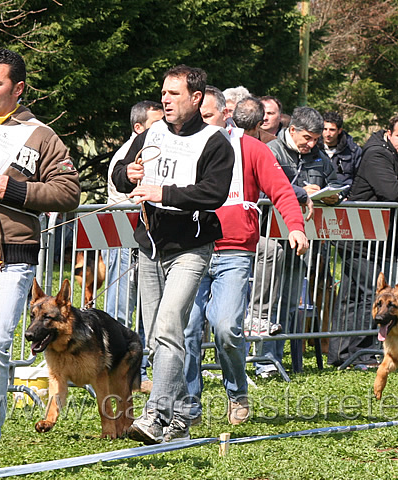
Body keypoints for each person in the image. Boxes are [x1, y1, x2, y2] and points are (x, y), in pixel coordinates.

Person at [112, 65, 234, 444]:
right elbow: (119, 175)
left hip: (191, 248)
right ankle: (181, 413)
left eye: (174, 93)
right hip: (149, 243)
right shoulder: (153, 132)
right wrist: (128, 174)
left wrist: (163, 194)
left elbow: (214, 193)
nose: (165, 99)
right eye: (163, 92)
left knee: (168, 326)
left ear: (196, 98)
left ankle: (156, 416)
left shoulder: (216, 141)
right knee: (156, 334)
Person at [183, 86, 308, 425]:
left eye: (206, 116)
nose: (199, 122)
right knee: (188, 329)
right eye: (197, 117)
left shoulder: (251, 148)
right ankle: (189, 407)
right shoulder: (185, 146)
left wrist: (295, 226)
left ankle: (236, 393)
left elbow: (281, 190)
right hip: (191, 251)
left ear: (225, 115)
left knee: (226, 328)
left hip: (233, 252)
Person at [0, 48, 80, 470]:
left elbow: (68, 193)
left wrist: (16, 190)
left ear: (17, 88)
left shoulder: (40, 136)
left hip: (11, 260)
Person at [327, 115, 398, 367]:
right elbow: (392, 192)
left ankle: (342, 354)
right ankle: (363, 352)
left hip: (376, 238)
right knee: (369, 294)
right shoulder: (376, 154)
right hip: (359, 236)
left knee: (353, 295)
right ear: (388, 133)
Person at [256, 106, 337, 377]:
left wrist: (333, 195)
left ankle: (283, 360)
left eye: (316, 139)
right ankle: (264, 360)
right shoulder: (270, 151)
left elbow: (336, 180)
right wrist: (302, 191)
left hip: (301, 240)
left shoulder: (319, 157)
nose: (311, 144)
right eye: (307, 138)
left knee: (291, 303)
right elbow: (265, 186)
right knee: (268, 301)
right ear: (292, 131)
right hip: (270, 238)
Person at [105, 100, 164, 394]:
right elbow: (125, 193)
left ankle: (137, 375)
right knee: (119, 311)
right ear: (139, 128)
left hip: (145, 242)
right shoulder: (128, 156)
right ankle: (109, 372)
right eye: (156, 124)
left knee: (145, 312)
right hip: (122, 241)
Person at [318, 111, 362, 191]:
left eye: (332, 130)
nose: (327, 133)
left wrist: (349, 196)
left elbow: (359, 179)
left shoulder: (353, 151)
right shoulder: (313, 149)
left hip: (345, 199)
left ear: (339, 130)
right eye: (325, 129)